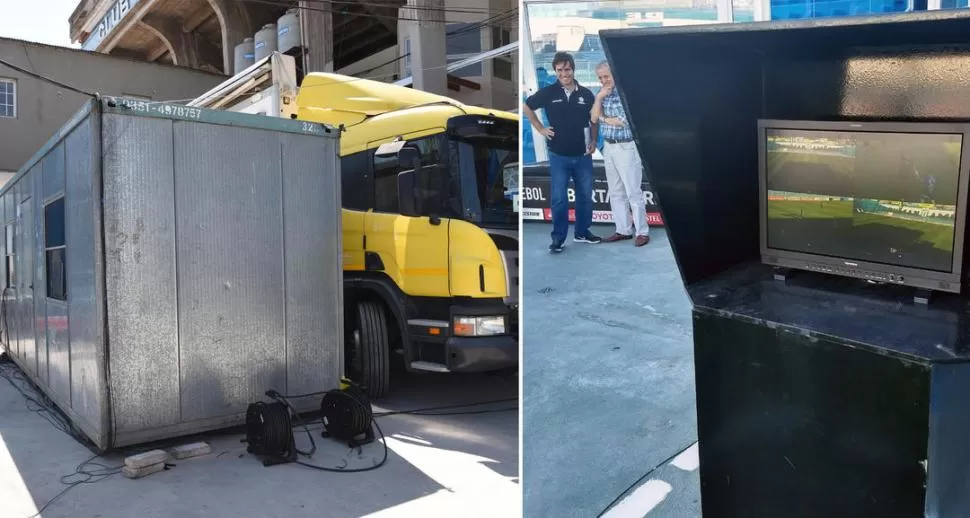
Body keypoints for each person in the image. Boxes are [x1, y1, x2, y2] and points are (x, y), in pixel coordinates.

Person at [523, 52, 600, 253]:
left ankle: (582, 233)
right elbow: (527, 106)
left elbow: (594, 120)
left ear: (573, 70)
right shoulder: (548, 93)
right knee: (559, 198)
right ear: (555, 72)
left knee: (584, 196)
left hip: (583, 155)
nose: (564, 73)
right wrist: (540, 129)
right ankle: (558, 238)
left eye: (567, 69)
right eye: (559, 70)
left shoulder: (586, 94)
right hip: (558, 155)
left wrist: (593, 140)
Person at [591, 61, 650, 247]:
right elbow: (593, 117)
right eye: (600, 77)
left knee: (633, 191)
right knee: (615, 191)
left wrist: (603, 118)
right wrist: (599, 98)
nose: (603, 80)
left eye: (606, 76)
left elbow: (622, 121)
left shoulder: (626, 92)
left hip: (626, 147)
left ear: (614, 73)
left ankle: (642, 232)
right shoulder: (601, 94)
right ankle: (623, 229)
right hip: (609, 147)